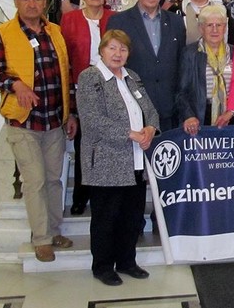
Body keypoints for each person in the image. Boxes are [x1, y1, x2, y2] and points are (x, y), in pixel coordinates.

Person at [0, 0, 77, 263]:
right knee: (35, 181)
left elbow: (66, 74)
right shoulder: (3, 33)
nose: (32, 4)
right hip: (24, 122)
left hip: (55, 120)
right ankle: (41, 239)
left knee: (53, 180)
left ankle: (54, 231)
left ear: (44, 2)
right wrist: (16, 84)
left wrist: (71, 113)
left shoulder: (55, 32)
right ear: (16, 1)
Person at [77, 29, 158, 286]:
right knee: (106, 218)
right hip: (106, 160)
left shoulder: (132, 77)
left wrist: (150, 129)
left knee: (132, 217)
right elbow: (92, 120)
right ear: (101, 50)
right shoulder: (90, 78)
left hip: (135, 160)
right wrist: (131, 134)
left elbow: (150, 110)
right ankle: (102, 266)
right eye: (112, 48)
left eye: (122, 49)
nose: (117, 53)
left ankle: (127, 262)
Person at [60, 0, 115, 215]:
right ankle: (82, 195)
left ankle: (107, 193)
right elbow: (65, 60)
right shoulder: (69, 20)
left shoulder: (115, 18)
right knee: (85, 143)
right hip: (82, 88)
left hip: (111, 88)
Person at [106, 0, 186, 132]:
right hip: (133, 111)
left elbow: (181, 66)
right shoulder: (118, 22)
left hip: (169, 111)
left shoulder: (176, 22)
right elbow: (111, 69)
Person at [176, 5, 234, 130]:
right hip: (199, 117)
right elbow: (181, 92)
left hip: (230, 116)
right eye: (209, 25)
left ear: (225, 28)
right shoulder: (190, 53)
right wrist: (189, 116)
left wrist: (231, 112)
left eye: (219, 25)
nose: (215, 30)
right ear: (201, 28)